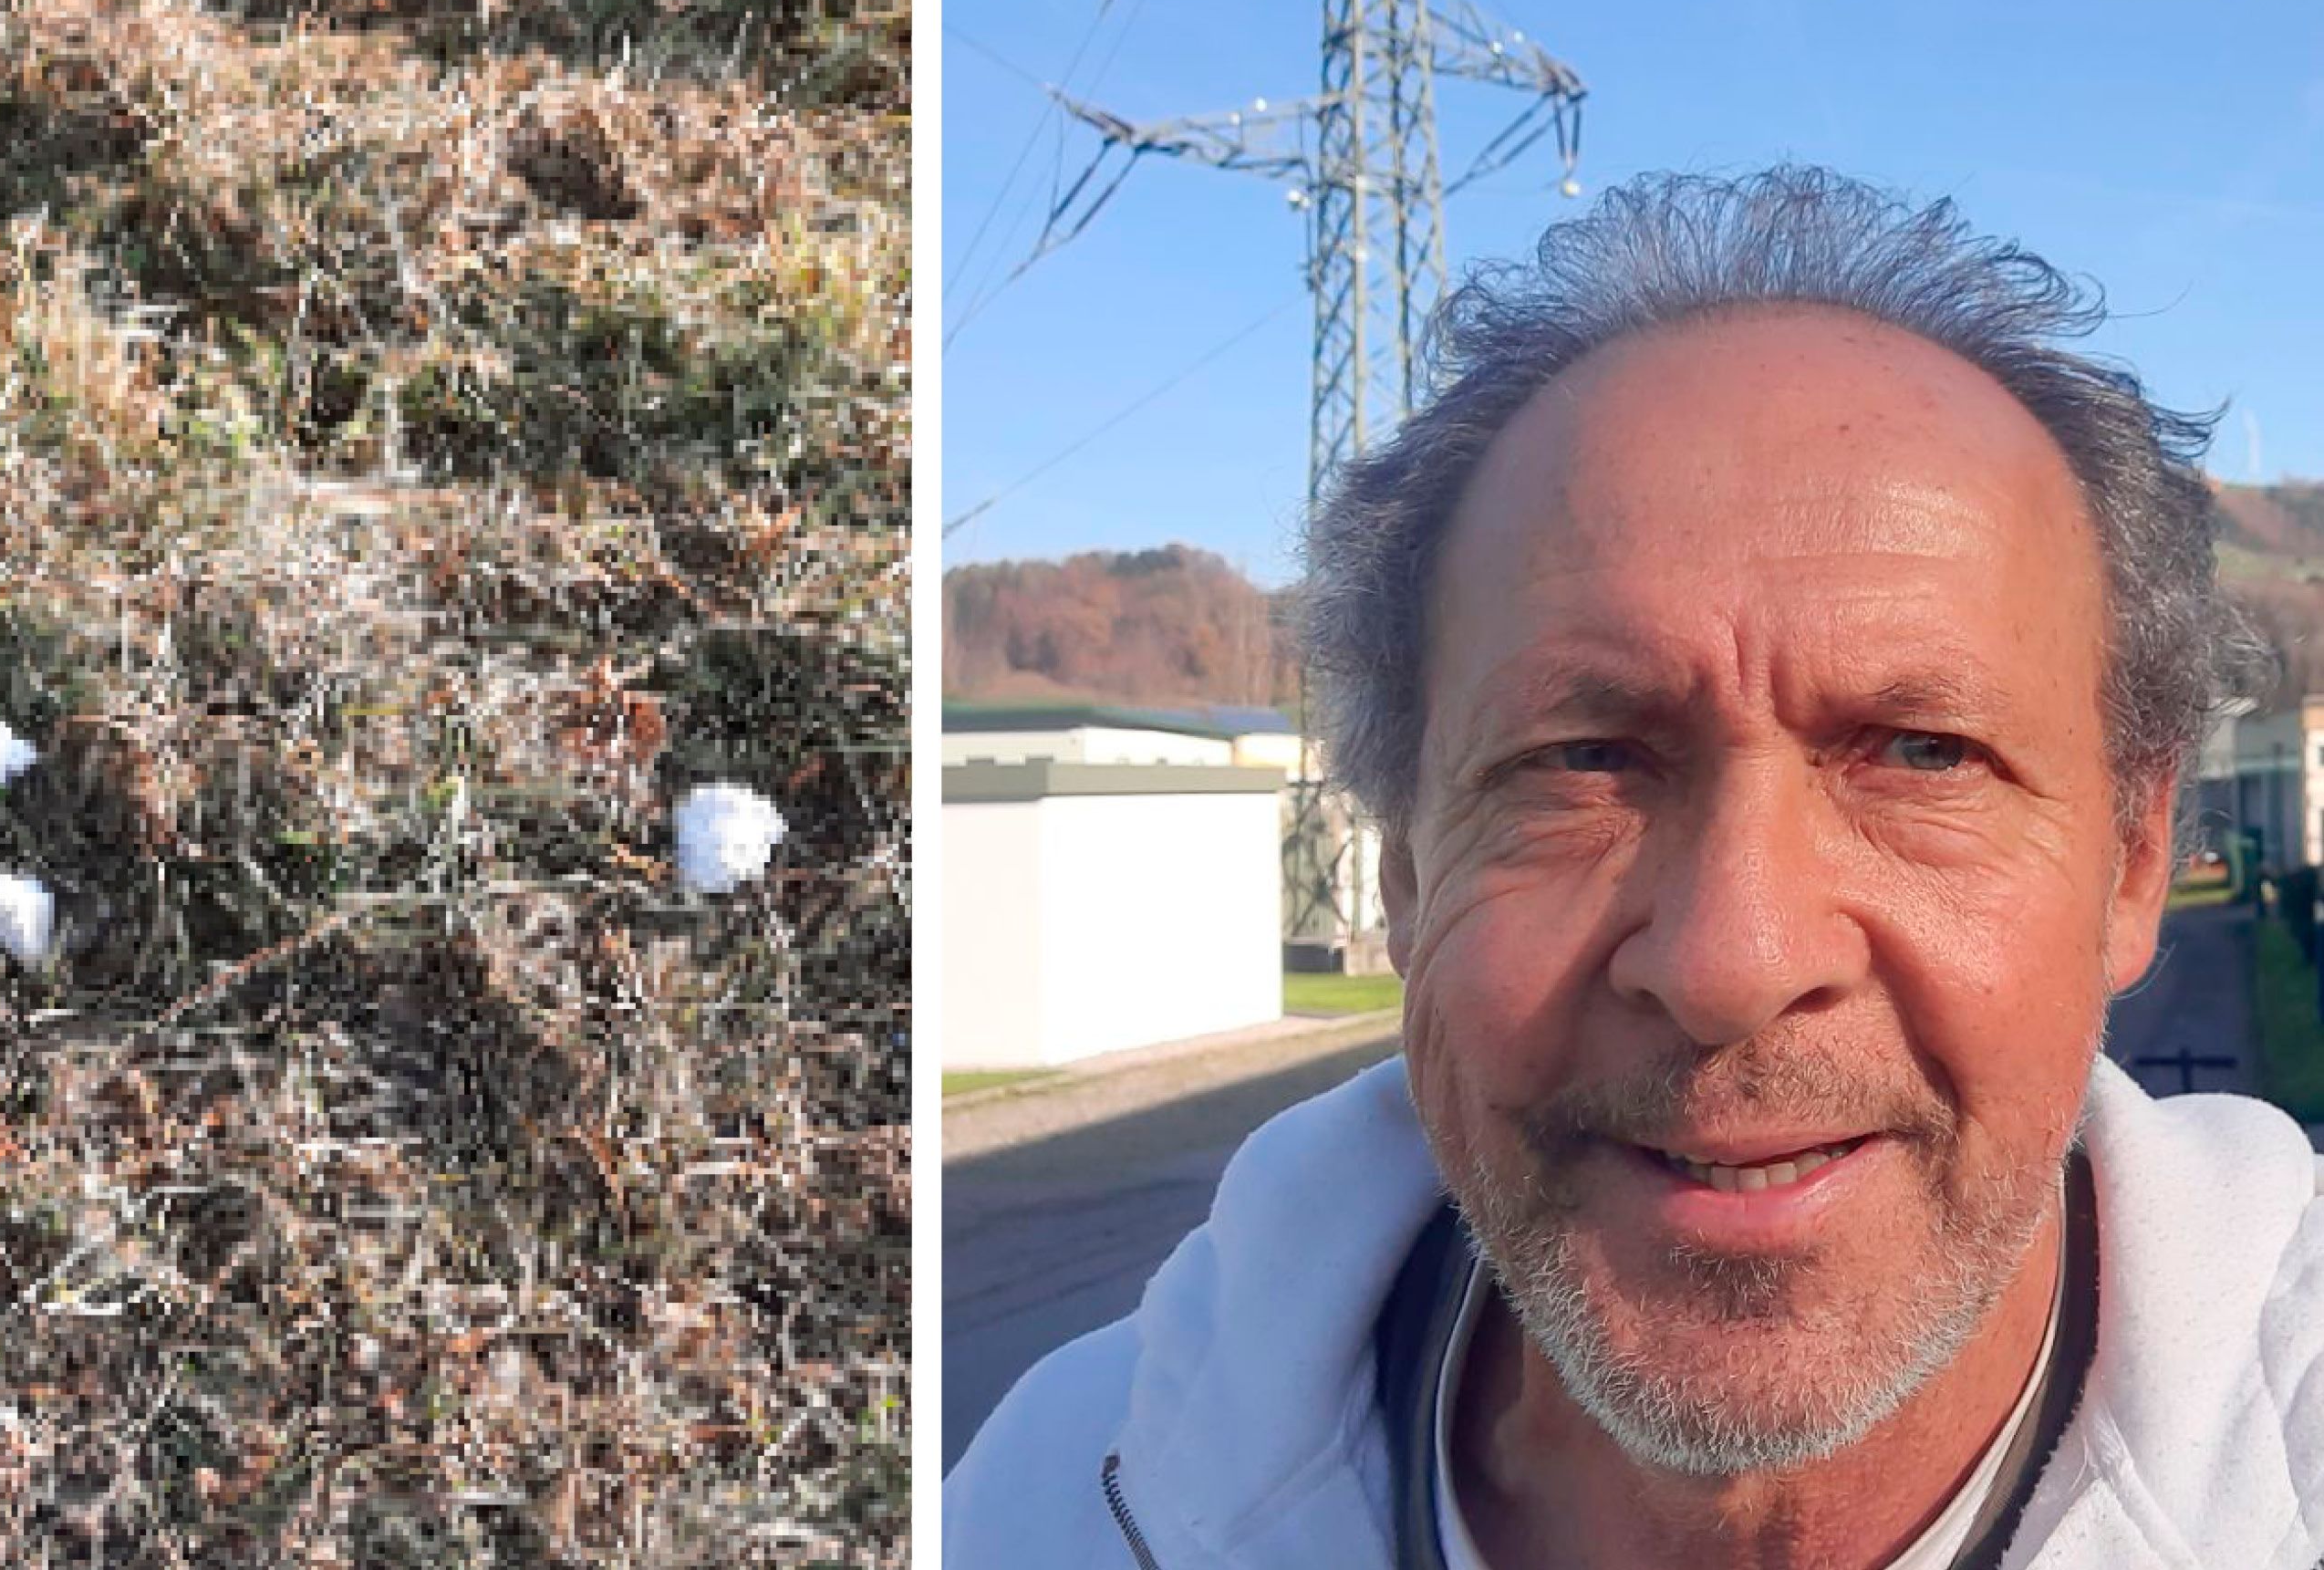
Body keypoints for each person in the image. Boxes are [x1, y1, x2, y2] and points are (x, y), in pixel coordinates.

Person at [943, 166, 2324, 1568]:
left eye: (1922, 753)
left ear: (2133, 860)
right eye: (1583, 759)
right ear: (1407, 869)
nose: (1732, 960)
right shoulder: (1042, 1505)